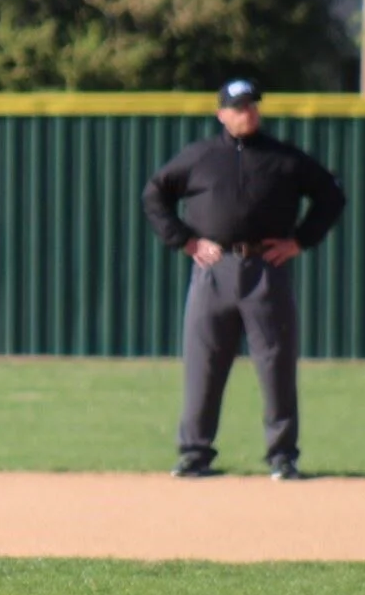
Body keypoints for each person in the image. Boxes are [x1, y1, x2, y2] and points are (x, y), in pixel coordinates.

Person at [141, 78, 346, 481]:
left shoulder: (282, 158)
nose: (247, 112)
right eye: (238, 107)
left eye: (251, 105)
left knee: (276, 365)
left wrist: (300, 240)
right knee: (203, 366)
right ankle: (195, 454)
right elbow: (155, 194)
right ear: (222, 114)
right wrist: (185, 241)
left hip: (265, 270)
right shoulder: (200, 157)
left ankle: (282, 456)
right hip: (212, 270)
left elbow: (330, 195)